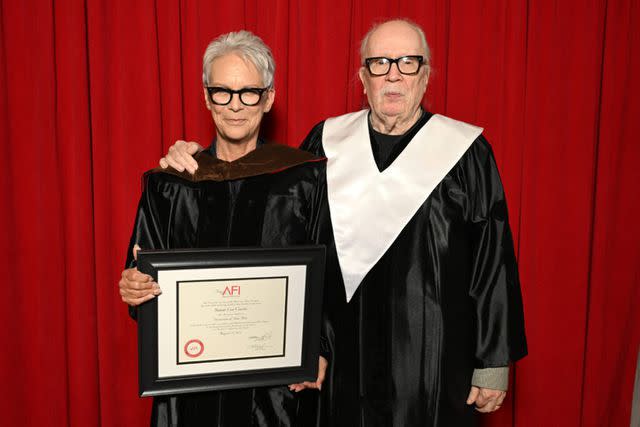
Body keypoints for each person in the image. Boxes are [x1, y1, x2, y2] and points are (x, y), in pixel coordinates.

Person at [150, 19, 528, 427]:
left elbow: (493, 258)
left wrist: (493, 360)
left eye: (408, 62)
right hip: (340, 353)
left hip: (432, 354)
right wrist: (192, 161)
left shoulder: (465, 152)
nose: (393, 74)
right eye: (380, 63)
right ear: (363, 77)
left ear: (426, 74)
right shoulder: (327, 141)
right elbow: (269, 213)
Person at [119, 30, 329, 427]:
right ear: (206, 96)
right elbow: (142, 279)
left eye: (249, 92)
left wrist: (320, 348)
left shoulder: (303, 180)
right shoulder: (171, 184)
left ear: (268, 98)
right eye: (222, 92)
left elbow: (328, 276)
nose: (235, 106)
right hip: (190, 387)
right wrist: (134, 288)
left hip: (274, 392)